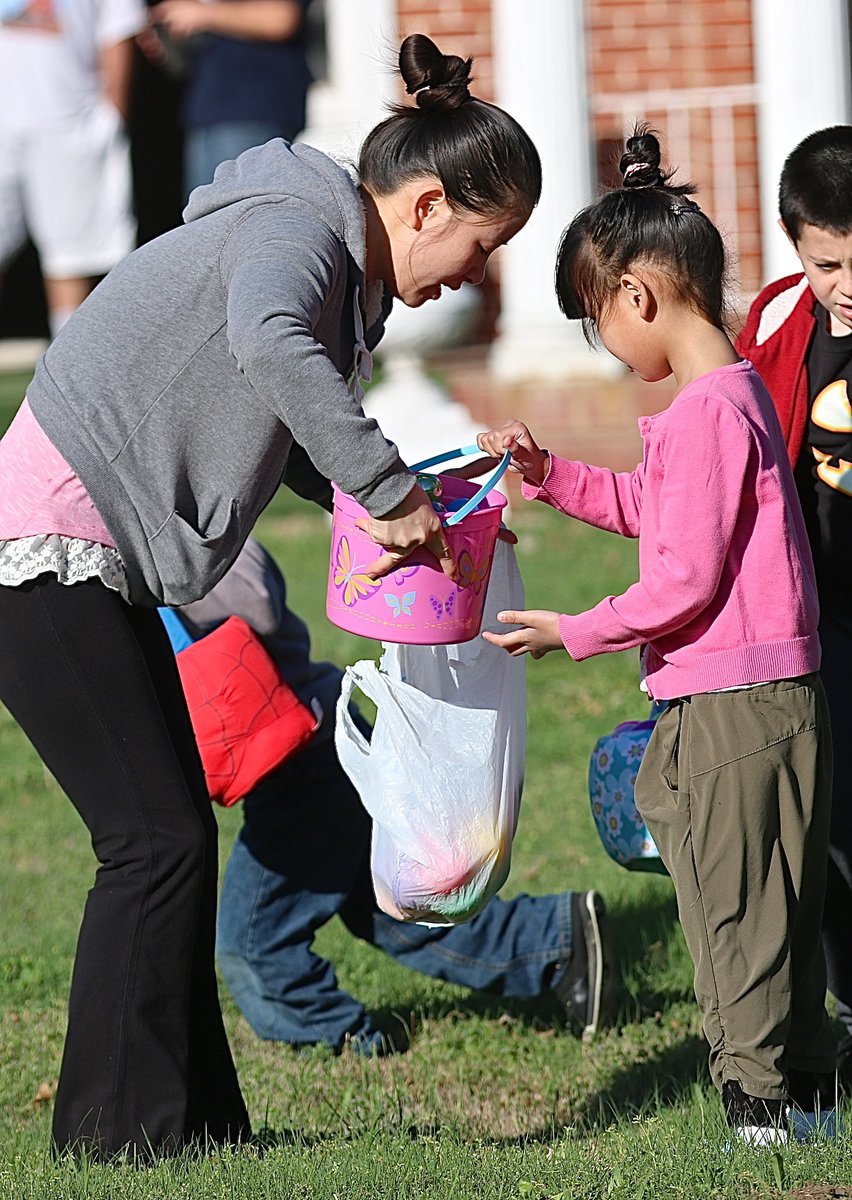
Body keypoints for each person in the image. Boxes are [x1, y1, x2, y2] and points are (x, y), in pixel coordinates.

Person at [0, 33, 541, 1161]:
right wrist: (382, 484)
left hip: (99, 552)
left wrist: (425, 503)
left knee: (168, 836)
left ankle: (189, 1127)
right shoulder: (298, 232)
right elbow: (266, 342)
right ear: (428, 203)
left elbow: (298, 431)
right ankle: (114, 1142)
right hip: (43, 546)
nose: (477, 276)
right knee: (150, 841)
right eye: (485, 246)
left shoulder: (337, 277)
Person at [475, 128, 837, 1147]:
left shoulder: (707, 416)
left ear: (638, 296)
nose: (605, 343)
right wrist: (550, 473)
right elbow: (658, 511)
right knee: (781, 901)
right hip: (773, 696)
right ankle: (807, 1093)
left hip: (732, 706)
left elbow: (680, 578)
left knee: (731, 912)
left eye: (597, 321)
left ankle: (756, 1113)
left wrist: (573, 630)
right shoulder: (731, 401)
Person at [164, 536, 614, 1053]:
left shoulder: (177, 530)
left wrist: (155, 578)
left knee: (252, 944)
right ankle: (555, 940)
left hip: (305, 754)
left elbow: (256, 600)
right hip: (296, 751)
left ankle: (342, 1041)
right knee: (397, 910)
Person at [734, 125, 852, 1084]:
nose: (848, 281)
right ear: (793, 240)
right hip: (815, 617)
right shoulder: (778, 320)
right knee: (828, 830)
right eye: (829, 261)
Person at [0, 0, 144, 339]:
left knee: (70, 256)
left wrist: (110, 116)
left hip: (70, 121)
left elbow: (118, 29)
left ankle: (59, 377)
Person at [147, 0, 312, 197]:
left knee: (245, 217)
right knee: (206, 220)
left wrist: (201, 14)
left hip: (254, 112)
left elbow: (281, 18)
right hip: (210, 111)